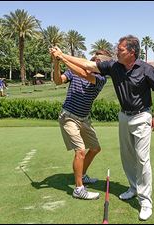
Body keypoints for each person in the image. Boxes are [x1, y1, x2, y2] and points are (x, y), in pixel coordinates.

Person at [51, 35, 154, 220]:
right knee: (127, 156)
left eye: (120, 50)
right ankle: (133, 188)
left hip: (142, 116)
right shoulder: (114, 67)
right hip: (123, 116)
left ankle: (145, 201)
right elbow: (85, 67)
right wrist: (61, 58)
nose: (116, 52)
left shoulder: (146, 70)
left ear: (131, 52)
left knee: (142, 159)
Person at [51, 49, 112, 200]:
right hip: (69, 117)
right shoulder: (73, 71)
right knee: (80, 151)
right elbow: (58, 81)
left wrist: (62, 57)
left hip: (84, 119)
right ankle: (79, 188)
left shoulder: (101, 79)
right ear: (94, 61)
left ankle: (82, 175)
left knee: (95, 148)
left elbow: (84, 75)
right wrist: (56, 62)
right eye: (100, 63)